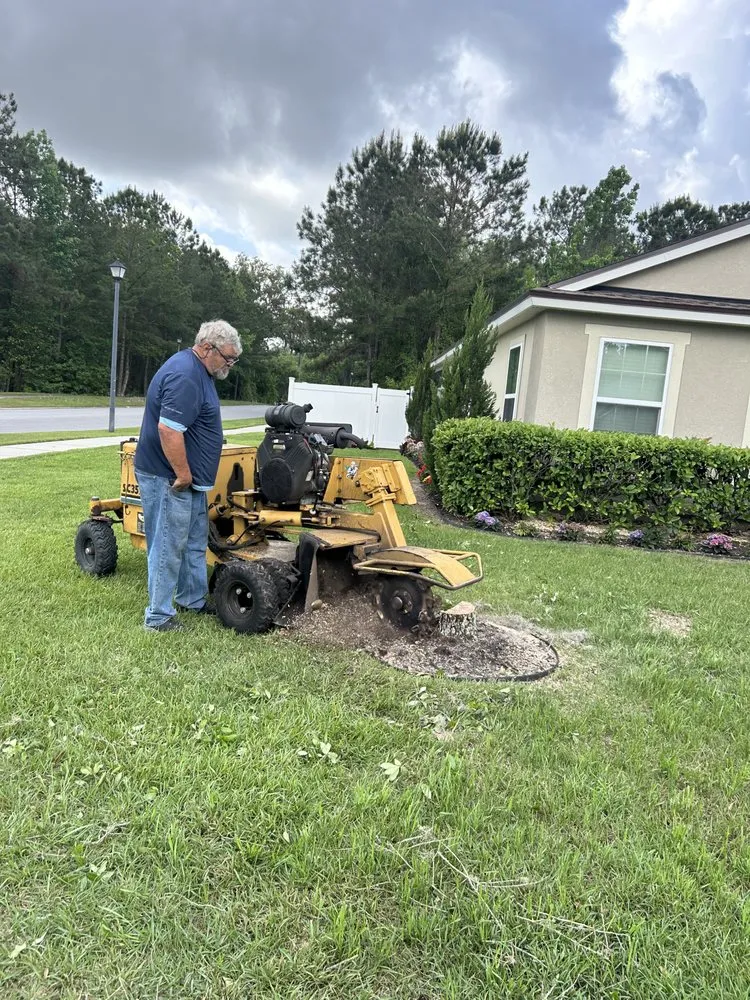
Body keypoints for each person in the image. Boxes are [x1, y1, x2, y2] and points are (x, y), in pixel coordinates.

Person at [134, 319, 242, 632]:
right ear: (208, 348)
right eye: (228, 358)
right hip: (168, 478)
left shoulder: (200, 371)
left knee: (194, 541)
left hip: (191, 481)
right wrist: (182, 474)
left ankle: (191, 599)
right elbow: (168, 429)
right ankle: (158, 617)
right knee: (167, 546)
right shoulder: (186, 375)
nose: (230, 365)